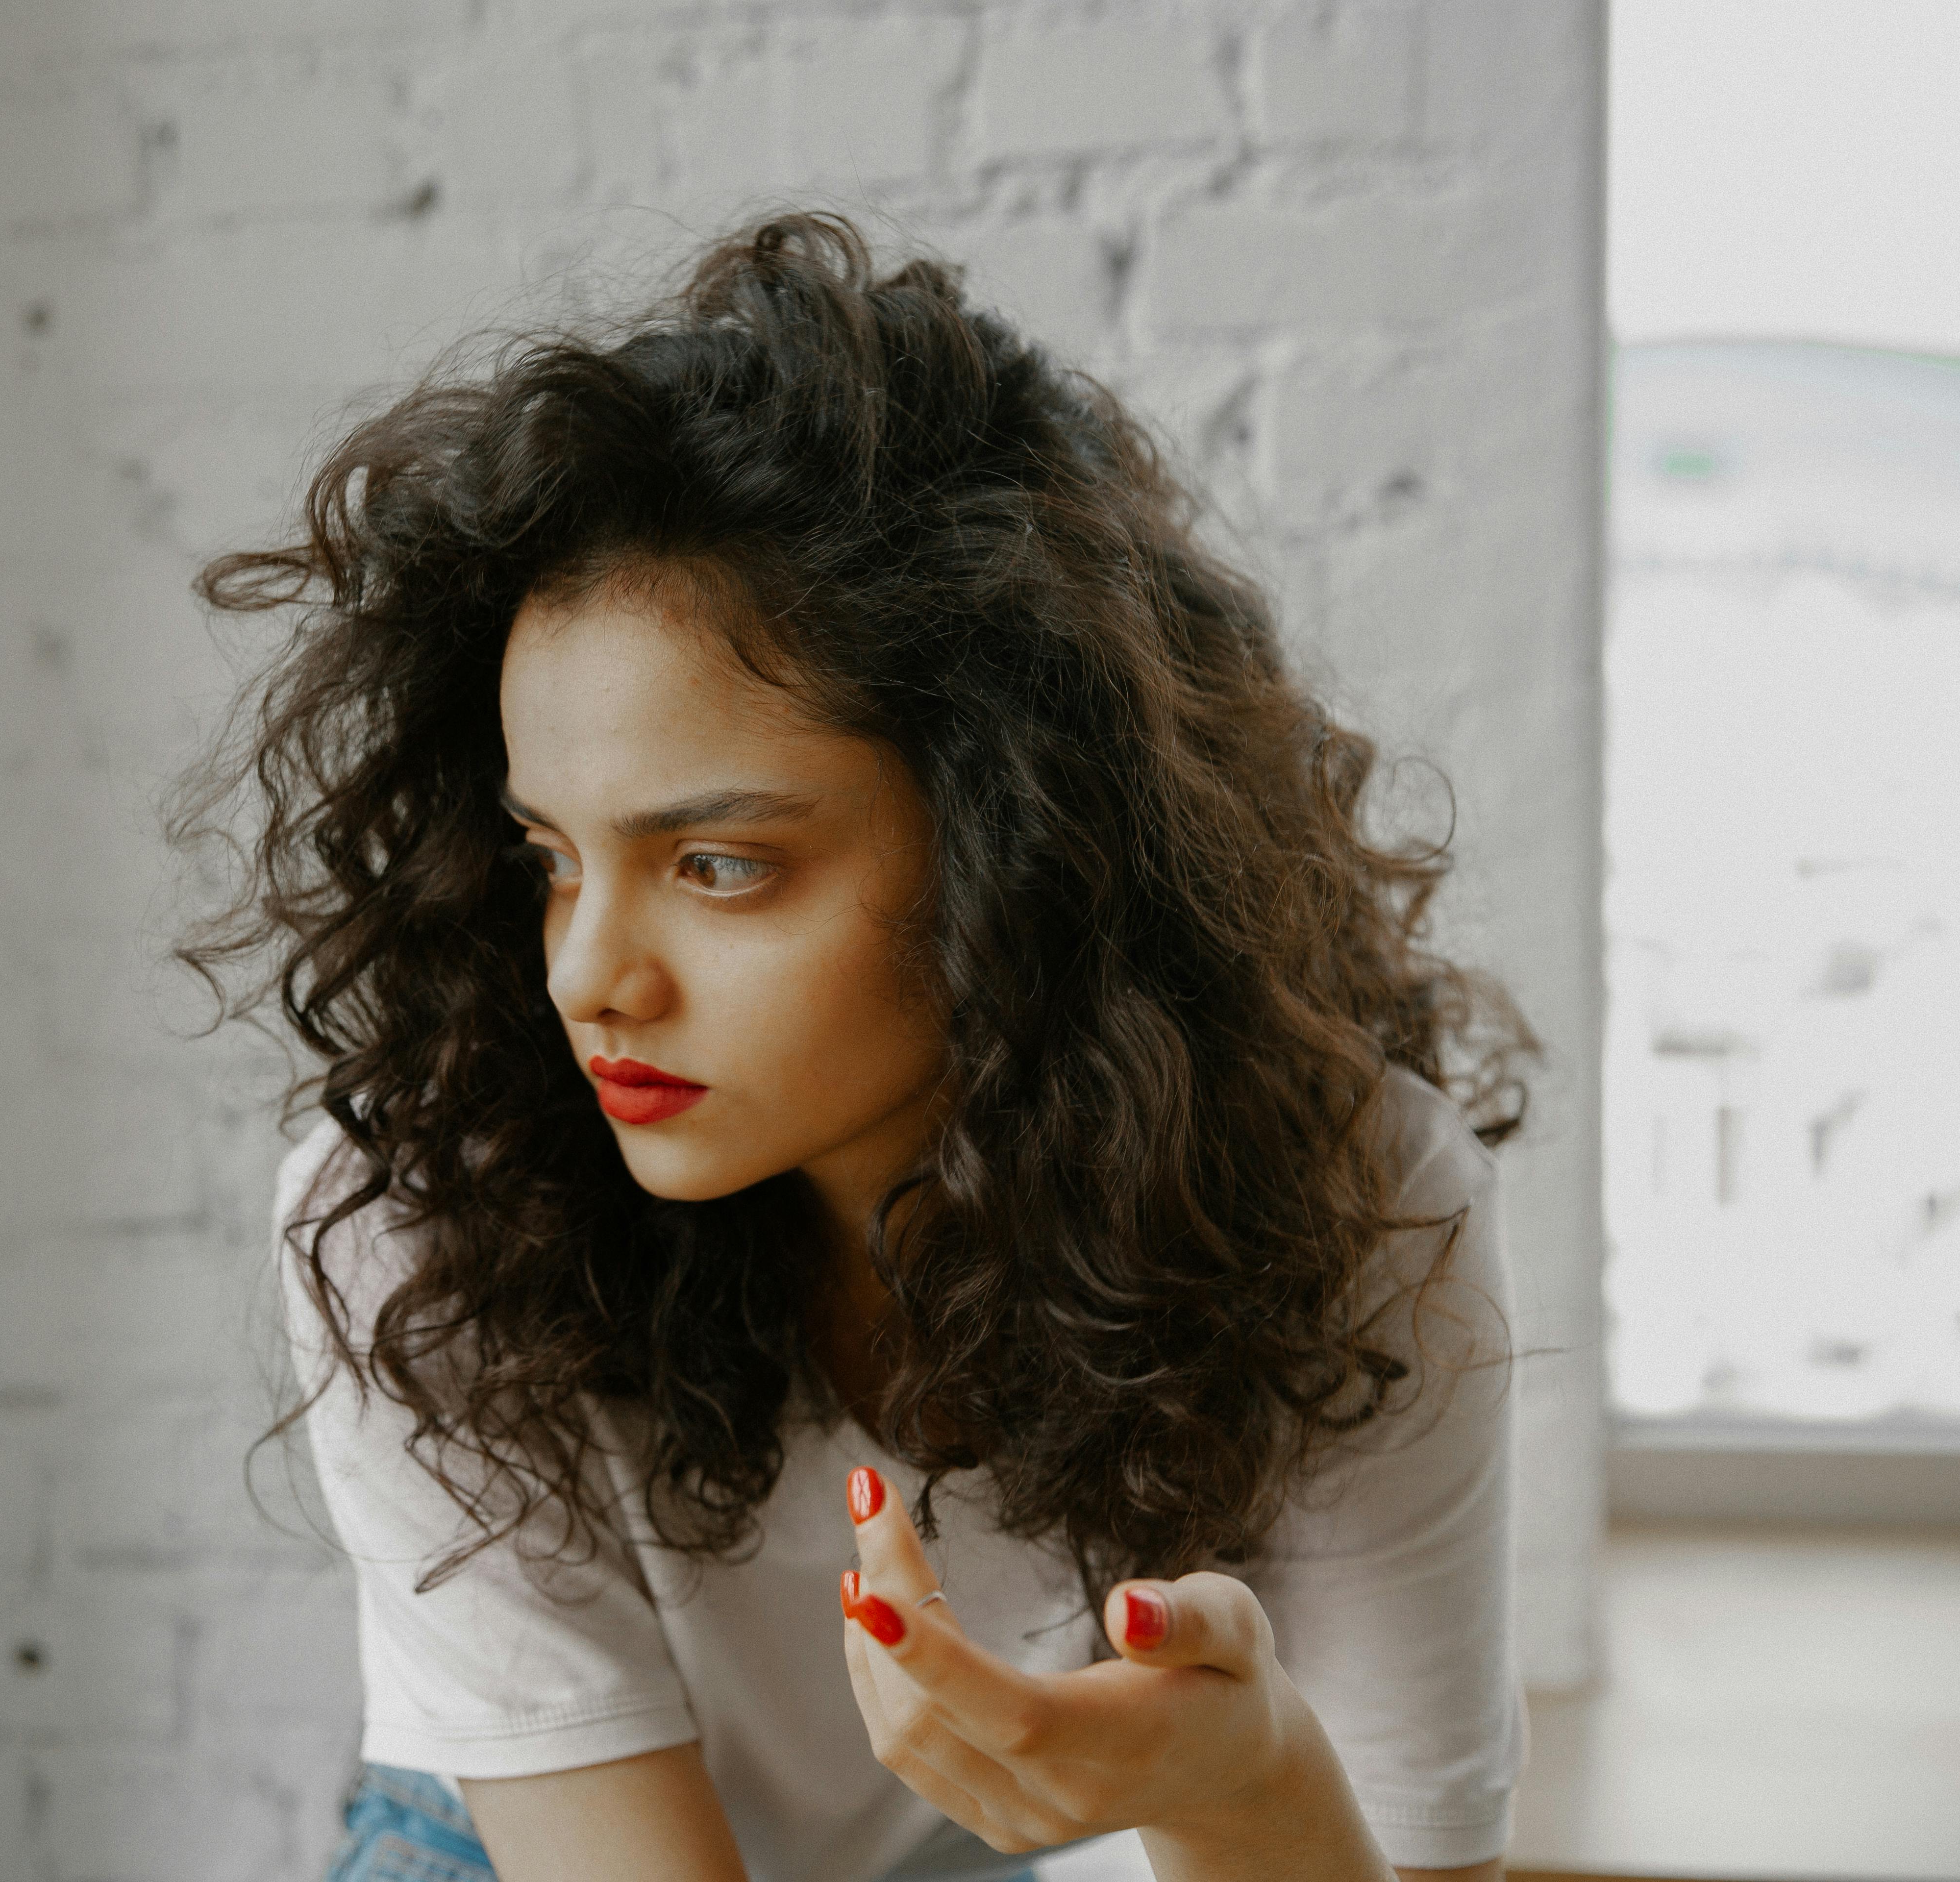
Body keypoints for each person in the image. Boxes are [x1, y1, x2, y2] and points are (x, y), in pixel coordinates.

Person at [175, 215, 1535, 1882]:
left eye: (720, 866)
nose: (588, 977)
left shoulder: (1355, 1202)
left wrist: (1243, 1785)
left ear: (1020, 851)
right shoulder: (419, 1212)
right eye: (550, 858)